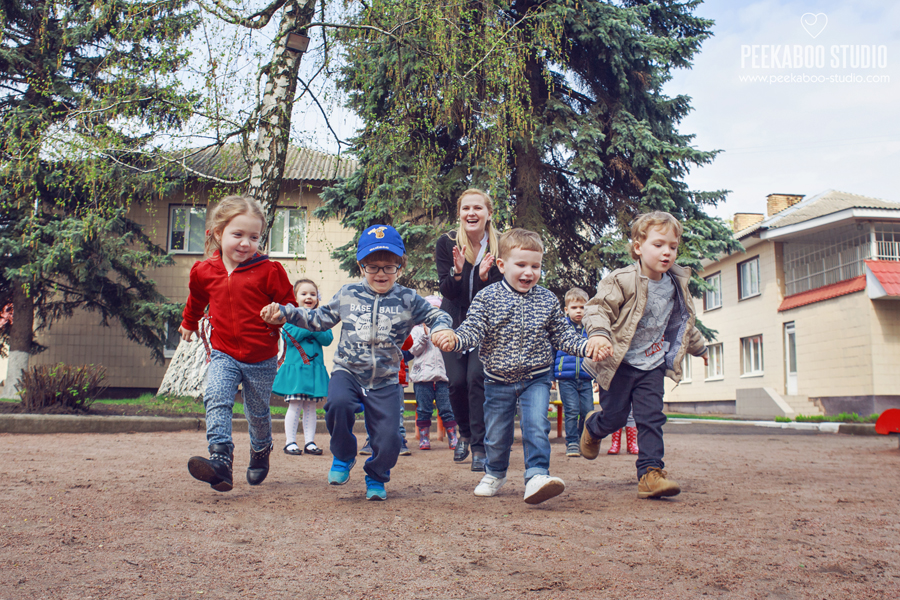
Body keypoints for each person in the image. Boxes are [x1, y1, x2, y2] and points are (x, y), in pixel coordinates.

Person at [261, 224, 452, 501]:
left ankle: (376, 475)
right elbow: (318, 319)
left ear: (400, 266)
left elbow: (438, 315)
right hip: (347, 371)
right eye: (373, 267)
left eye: (389, 266)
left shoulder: (408, 298)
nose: (381, 273)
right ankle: (343, 455)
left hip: (386, 379)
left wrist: (443, 328)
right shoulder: (348, 294)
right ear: (362, 266)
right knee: (337, 405)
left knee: (391, 438)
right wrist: (285, 312)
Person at [434, 229, 605, 505]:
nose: (529, 272)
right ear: (502, 266)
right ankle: (494, 472)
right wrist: (454, 339)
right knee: (496, 433)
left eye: (535, 266)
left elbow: (563, 336)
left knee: (536, 425)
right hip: (497, 380)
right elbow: (471, 330)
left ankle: (537, 475)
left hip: (536, 378)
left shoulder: (547, 300)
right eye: (521, 265)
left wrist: (587, 347)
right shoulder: (487, 298)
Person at [580, 211, 708, 499]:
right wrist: (598, 334)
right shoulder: (622, 280)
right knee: (615, 418)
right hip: (619, 364)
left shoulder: (676, 284)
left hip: (652, 365)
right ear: (638, 247)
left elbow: (682, 323)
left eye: (673, 246)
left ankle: (650, 474)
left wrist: (699, 348)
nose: (667, 252)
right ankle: (594, 427)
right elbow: (597, 308)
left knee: (650, 417)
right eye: (658, 245)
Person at [181, 195, 296, 493]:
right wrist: (188, 323)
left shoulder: (270, 271)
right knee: (216, 397)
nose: (246, 243)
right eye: (238, 235)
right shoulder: (204, 271)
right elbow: (196, 301)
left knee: (256, 412)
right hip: (223, 352)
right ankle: (220, 459)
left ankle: (260, 449)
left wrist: (279, 315)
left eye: (254, 237)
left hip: (261, 356)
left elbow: (290, 306)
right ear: (219, 233)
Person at [434, 188, 503, 472]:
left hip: (486, 325)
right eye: (466, 208)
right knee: (456, 382)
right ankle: (464, 433)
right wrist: (459, 272)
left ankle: (479, 447)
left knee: (476, 378)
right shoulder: (447, 243)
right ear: (460, 213)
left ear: (489, 213)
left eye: (477, 208)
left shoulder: (501, 246)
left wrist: (485, 278)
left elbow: (504, 292)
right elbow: (448, 291)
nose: (471, 213)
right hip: (454, 323)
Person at [273, 278, 333, 456]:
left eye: (313, 294)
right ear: (295, 298)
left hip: (314, 371)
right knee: (295, 405)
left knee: (311, 407)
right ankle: (290, 442)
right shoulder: (290, 317)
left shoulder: (322, 317)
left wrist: (314, 325)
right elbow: (291, 336)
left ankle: (310, 442)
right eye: (304, 293)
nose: (309, 297)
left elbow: (327, 339)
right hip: (297, 371)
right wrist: (312, 327)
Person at [409, 295, 459, 451]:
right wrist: (424, 336)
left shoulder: (445, 331)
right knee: (424, 409)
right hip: (423, 378)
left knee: (447, 409)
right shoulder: (416, 330)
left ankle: (453, 437)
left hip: (443, 377)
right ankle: (424, 438)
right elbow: (413, 350)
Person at [551, 287, 595, 458]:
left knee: (587, 411)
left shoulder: (591, 329)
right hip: (566, 378)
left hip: (586, 377)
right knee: (571, 411)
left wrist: (598, 378)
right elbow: (552, 353)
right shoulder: (561, 329)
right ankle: (572, 443)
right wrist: (551, 377)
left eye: (582, 307)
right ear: (566, 309)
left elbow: (596, 354)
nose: (578, 311)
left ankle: (584, 440)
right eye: (574, 307)